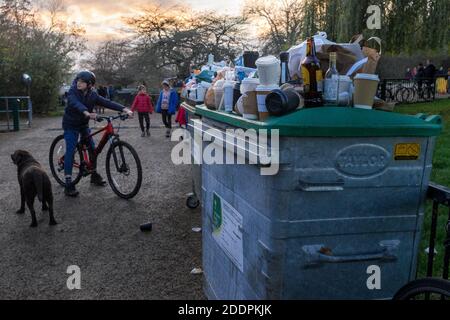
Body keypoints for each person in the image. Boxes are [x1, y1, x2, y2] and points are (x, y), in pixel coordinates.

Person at [63, 70, 133, 197]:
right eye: (78, 80)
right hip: (71, 125)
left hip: (83, 125)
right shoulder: (73, 91)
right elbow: (75, 103)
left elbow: (106, 102)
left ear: (89, 84)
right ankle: (68, 183)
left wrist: (124, 109)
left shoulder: (93, 95)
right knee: (70, 149)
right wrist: (86, 113)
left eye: (82, 82)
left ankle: (93, 174)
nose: (79, 83)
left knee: (93, 150)